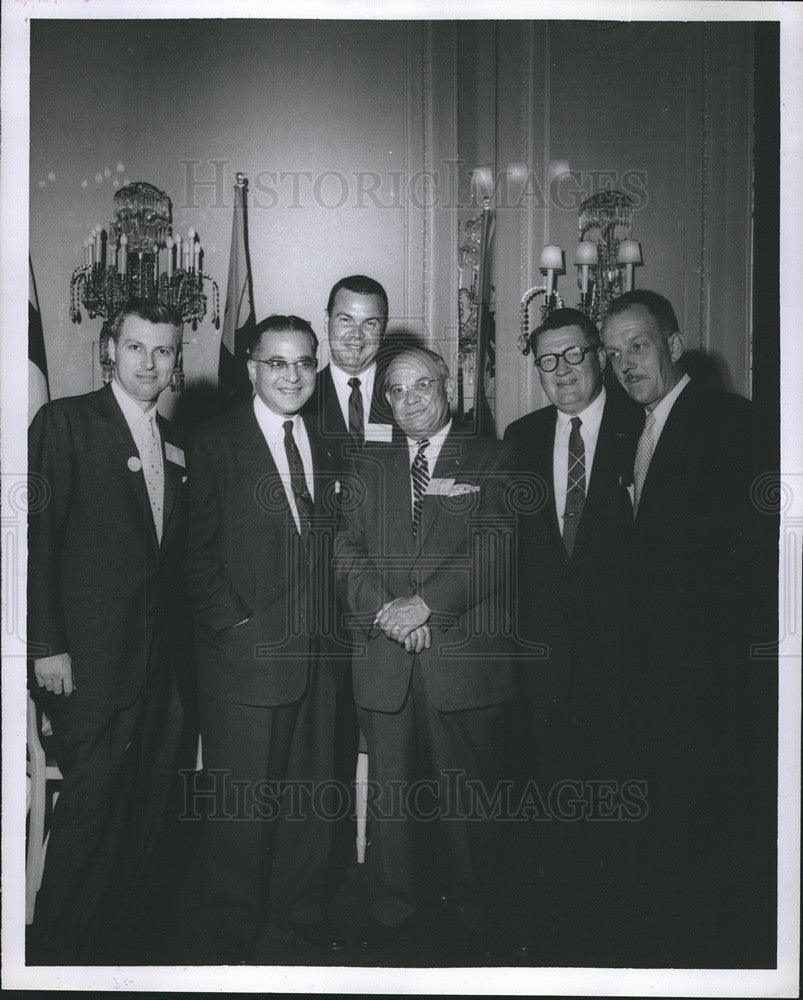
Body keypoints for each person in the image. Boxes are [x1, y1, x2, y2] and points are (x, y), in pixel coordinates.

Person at [601, 289, 777, 964]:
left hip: (710, 677)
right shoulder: (634, 428)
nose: (623, 364)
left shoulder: (726, 420)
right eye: (613, 353)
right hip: (657, 674)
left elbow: (755, 552)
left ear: (673, 346)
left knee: (711, 835)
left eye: (637, 345)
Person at [334, 347, 516, 960]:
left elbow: (496, 546)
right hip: (387, 656)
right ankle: (392, 912)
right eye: (395, 389)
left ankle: (477, 919)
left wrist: (426, 606)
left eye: (422, 385)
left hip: (459, 658)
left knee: (468, 798)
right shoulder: (366, 465)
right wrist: (391, 614)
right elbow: (345, 551)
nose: (409, 399)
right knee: (390, 799)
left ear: (448, 386)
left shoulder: (493, 457)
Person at [27, 299, 189, 964]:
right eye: (137, 348)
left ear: (177, 359)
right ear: (109, 351)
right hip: (86, 664)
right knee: (92, 816)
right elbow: (33, 542)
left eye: (164, 351)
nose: (150, 363)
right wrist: (46, 646)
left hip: (159, 669)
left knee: (144, 816)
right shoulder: (65, 423)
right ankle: (59, 957)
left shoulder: (175, 444)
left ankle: (119, 956)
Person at [183, 315, 342, 962]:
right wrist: (236, 625)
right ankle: (234, 922)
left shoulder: (327, 443)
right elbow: (192, 557)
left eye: (304, 362)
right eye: (277, 363)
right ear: (252, 368)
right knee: (241, 804)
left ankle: (299, 911)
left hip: (319, 660)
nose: (292, 376)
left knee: (310, 799)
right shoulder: (214, 441)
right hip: (245, 662)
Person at [502, 308, 642, 954]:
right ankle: (556, 932)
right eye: (546, 362)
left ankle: (617, 934)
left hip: (623, 662)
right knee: (551, 805)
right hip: (544, 666)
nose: (560, 373)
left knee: (620, 805)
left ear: (598, 355)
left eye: (573, 356)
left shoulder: (639, 427)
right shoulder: (520, 437)